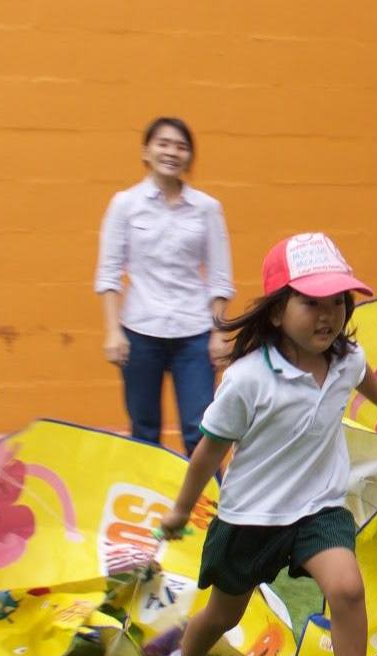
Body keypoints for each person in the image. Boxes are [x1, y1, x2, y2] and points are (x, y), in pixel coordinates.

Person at [152, 233, 377, 656]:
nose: (327, 315)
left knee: (346, 587)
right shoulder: (248, 380)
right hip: (250, 516)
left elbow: (361, 374)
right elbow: (209, 450)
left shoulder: (345, 359)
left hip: (318, 508)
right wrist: (180, 510)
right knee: (224, 612)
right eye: (311, 303)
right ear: (277, 312)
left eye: (337, 302)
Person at [95, 116, 234, 454]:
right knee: (144, 431)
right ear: (147, 151)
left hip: (194, 334)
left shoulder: (206, 209)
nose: (172, 152)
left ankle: (210, 506)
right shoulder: (125, 205)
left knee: (200, 430)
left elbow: (219, 277)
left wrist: (217, 333)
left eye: (181, 146)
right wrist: (113, 331)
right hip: (140, 332)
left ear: (189, 156)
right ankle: (149, 506)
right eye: (163, 144)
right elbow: (109, 273)